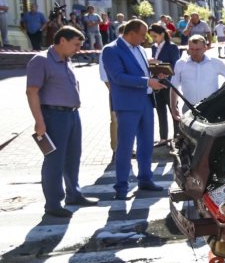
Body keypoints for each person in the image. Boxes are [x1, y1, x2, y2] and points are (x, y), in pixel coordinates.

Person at [25, 26, 98, 218]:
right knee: (54, 161)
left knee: (73, 157)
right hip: (53, 116)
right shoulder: (41, 60)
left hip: (72, 115)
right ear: (62, 40)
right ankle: (53, 204)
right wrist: (39, 121)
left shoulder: (67, 60)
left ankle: (73, 194)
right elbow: (32, 91)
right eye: (75, 44)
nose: (78, 49)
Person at [101, 19, 167, 200]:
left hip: (146, 100)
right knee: (125, 146)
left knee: (146, 143)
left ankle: (145, 178)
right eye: (142, 34)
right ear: (131, 33)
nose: (145, 38)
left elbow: (142, 72)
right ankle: (121, 187)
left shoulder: (139, 49)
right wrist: (147, 82)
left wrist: (155, 75)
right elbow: (118, 77)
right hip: (128, 104)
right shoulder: (111, 50)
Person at [169, 35, 225, 115]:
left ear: (205, 48)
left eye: (198, 49)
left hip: (211, 108)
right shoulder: (180, 64)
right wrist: (173, 107)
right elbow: (174, 87)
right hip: (188, 108)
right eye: (192, 49)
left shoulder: (215, 62)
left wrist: (222, 92)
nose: (194, 52)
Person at [148, 23, 181, 147]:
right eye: (151, 36)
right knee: (160, 110)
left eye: (155, 36)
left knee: (173, 109)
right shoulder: (154, 47)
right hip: (157, 82)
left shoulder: (171, 47)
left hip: (169, 82)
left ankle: (177, 137)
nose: (153, 39)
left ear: (162, 34)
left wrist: (159, 63)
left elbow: (175, 65)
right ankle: (163, 138)